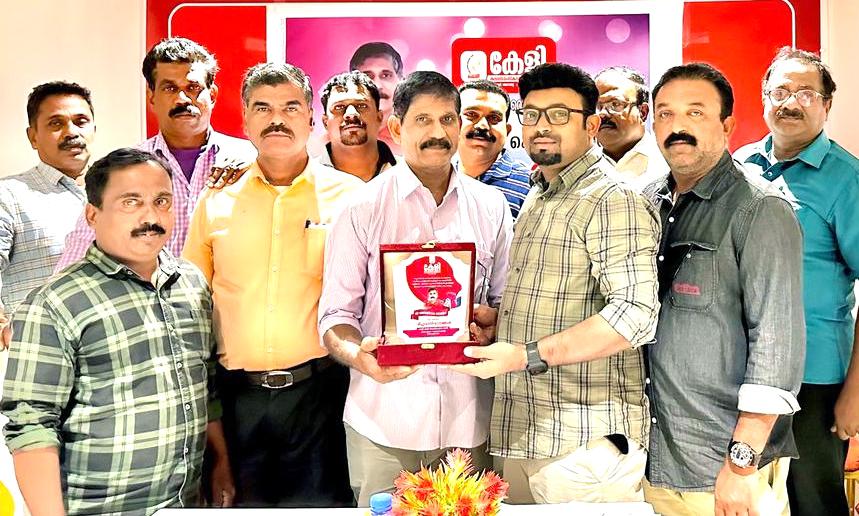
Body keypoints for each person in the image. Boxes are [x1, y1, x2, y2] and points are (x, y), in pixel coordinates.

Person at [450, 63, 660, 505]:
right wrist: (501, 323)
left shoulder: (612, 198)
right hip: (527, 430)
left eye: (560, 114)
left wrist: (524, 354)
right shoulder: (541, 192)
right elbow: (563, 298)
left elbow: (635, 317)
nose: (543, 126)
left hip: (584, 443)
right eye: (532, 114)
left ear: (591, 124)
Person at [318, 70, 513, 507]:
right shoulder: (360, 207)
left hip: (469, 423)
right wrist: (359, 357)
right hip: (383, 421)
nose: (437, 133)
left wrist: (492, 323)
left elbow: (505, 305)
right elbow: (335, 315)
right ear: (396, 127)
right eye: (423, 120)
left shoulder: (492, 207)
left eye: (447, 119)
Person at [1, 148, 224, 515]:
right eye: (130, 202)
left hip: (184, 503)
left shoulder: (191, 284)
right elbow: (31, 425)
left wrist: (220, 463)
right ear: (93, 214)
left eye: (161, 201)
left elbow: (205, 385)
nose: (150, 217)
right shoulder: (55, 304)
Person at [183, 62, 362, 507]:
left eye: (290, 107)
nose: (276, 119)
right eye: (262, 108)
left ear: (312, 119)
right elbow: (191, 304)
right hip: (236, 400)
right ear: (244, 119)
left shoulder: (351, 197)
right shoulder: (216, 198)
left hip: (321, 396)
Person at [642, 63, 804, 515]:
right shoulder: (647, 202)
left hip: (724, 466)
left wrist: (741, 465)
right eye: (665, 113)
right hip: (655, 460)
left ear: (727, 125)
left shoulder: (761, 208)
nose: (678, 126)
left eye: (695, 112)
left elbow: (777, 346)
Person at [734, 47, 859, 516]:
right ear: (764, 98)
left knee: (813, 502)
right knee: (744, 499)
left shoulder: (847, 180)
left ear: (827, 104)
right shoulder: (741, 165)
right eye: (780, 91)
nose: (790, 102)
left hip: (815, 380)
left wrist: (855, 394)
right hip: (743, 372)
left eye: (806, 93)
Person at [55, 37, 255, 272]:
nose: (182, 99)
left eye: (192, 88)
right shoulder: (121, 170)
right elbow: (78, 255)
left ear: (212, 95)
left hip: (230, 296)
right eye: (170, 88)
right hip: (145, 295)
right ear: (151, 96)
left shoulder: (251, 161)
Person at [0, 81, 95, 349]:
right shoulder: (9, 195)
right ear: (33, 137)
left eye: (81, 122)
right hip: (41, 357)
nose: (72, 132)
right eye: (56, 123)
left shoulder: (116, 194)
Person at [455, 80, 531, 220]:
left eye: (494, 118)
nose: (482, 126)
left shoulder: (530, 185)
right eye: (471, 114)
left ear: (507, 131)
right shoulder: (435, 180)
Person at [594, 66, 669, 190]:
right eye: (595, 106)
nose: (602, 113)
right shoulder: (577, 164)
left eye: (615, 104)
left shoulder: (669, 162)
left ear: (643, 112)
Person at [318, 71, 397, 181]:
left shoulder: (410, 175)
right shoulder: (306, 180)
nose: (351, 114)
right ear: (325, 122)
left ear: (379, 117)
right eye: (339, 107)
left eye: (361, 105)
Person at [350, 41, 404, 154]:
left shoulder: (417, 140)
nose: (377, 85)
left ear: (401, 82)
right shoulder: (330, 144)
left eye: (386, 75)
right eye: (367, 77)